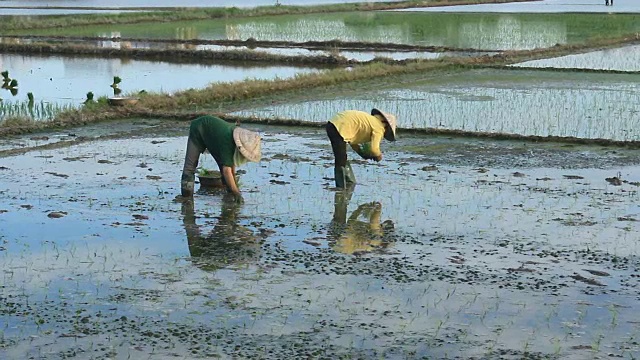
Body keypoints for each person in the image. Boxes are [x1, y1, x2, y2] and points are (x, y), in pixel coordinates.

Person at [180, 115, 261, 202]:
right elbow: (227, 170)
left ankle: (229, 198)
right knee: (190, 167)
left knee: (224, 166)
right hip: (198, 128)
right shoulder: (227, 141)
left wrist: (235, 185)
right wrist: (237, 193)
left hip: (214, 137)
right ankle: (186, 200)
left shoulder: (235, 139)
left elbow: (230, 164)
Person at [325, 108, 397, 188]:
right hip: (339, 125)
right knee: (340, 159)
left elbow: (351, 140)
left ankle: (348, 182)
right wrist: (378, 156)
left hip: (333, 123)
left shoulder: (370, 121)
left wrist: (361, 153)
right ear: (386, 125)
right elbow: (374, 149)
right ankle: (341, 188)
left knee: (341, 156)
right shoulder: (379, 128)